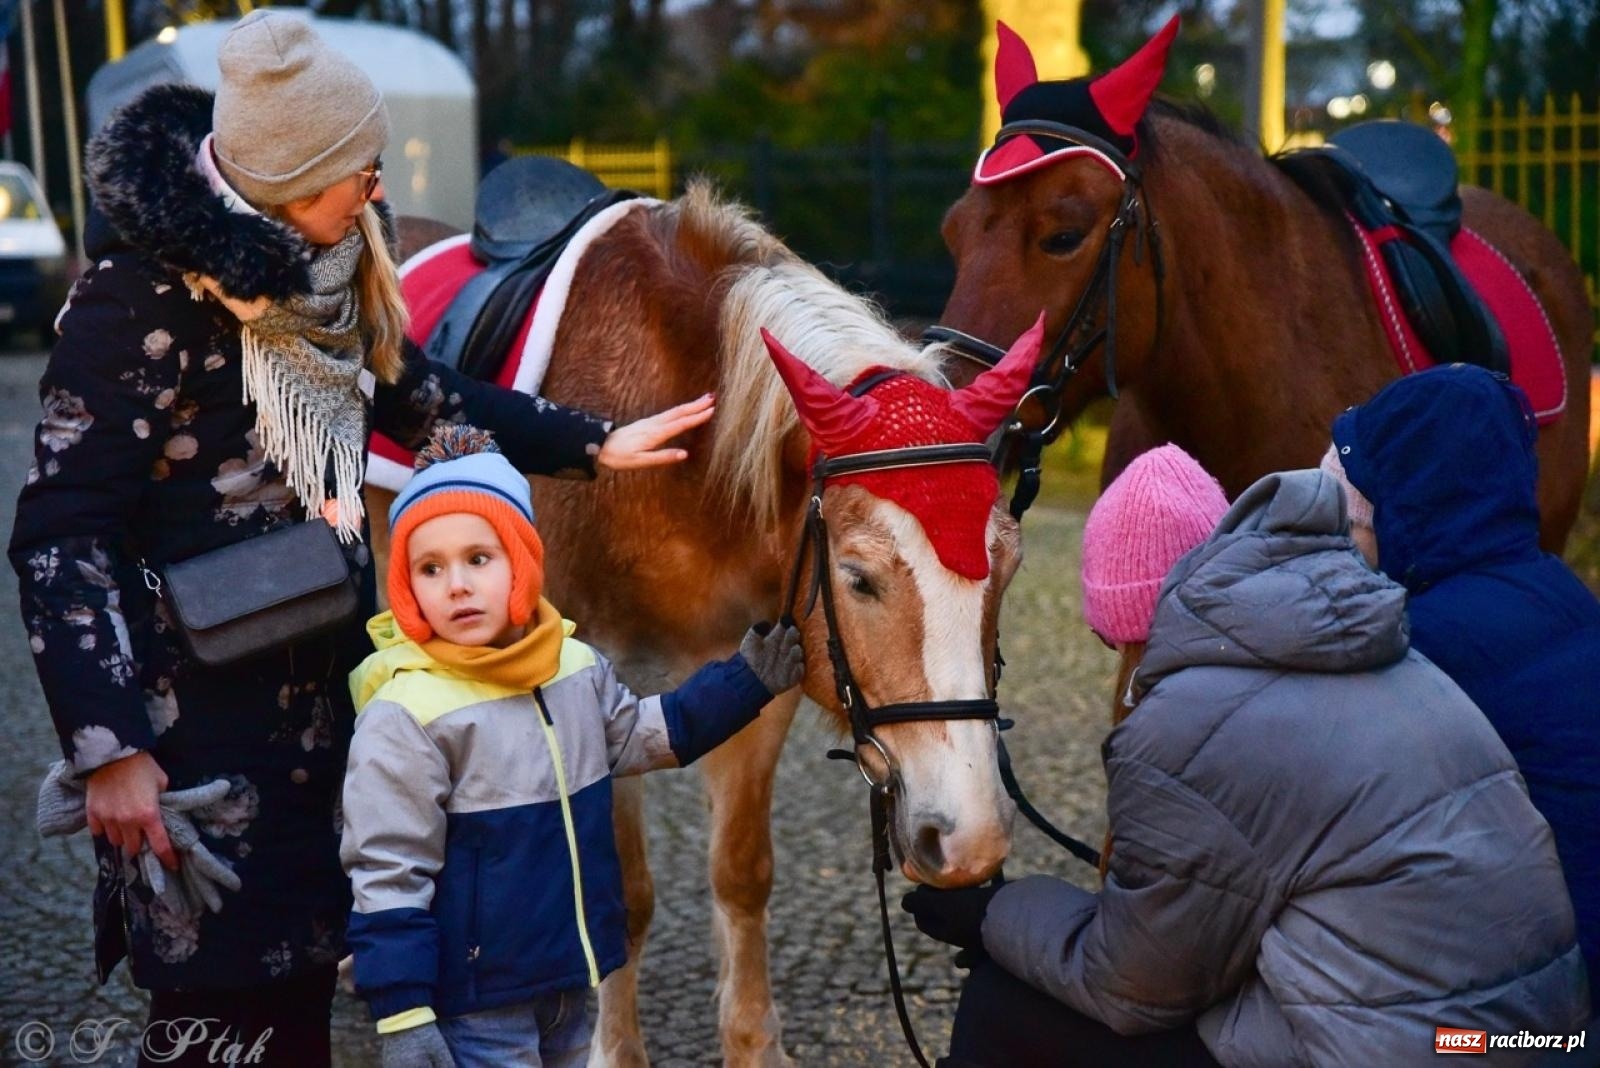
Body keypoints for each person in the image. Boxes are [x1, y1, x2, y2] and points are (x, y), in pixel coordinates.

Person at [11, 10, 713, 1064]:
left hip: (328, 705)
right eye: (361, 169)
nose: (377, 188)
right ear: (292, 178)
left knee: (304, 1000)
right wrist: (111, 753)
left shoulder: (325, 274)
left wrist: (593, 443)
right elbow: (62, 537)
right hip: (198, 729)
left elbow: (415, 395)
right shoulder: (136, 302)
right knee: (218, 1010)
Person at [904, 444, 1588, 1067]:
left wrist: (997, 916)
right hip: (1536, 1038)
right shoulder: (1386, 653)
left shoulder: (1190, 729)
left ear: (1127, 627)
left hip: (1408, 1051)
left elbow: (1135, 987)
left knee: (1004, 1004)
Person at [340, 424, 801, 1067]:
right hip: (477, 1002)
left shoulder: (573, 670)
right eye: (430, 568)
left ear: (523, 564)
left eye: (479, 558)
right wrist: (403, 1014)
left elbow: (644, 735)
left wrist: (745, 683)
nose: (457, 585)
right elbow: (388, 871)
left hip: (569, 983)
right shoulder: (406, 714)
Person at [1324, 363, 1600, 1002]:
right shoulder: (1560, 592)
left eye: (1357, 515)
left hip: (1537, 1018)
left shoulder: (1420, 643)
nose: (1349, 536)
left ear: (1411, 501)